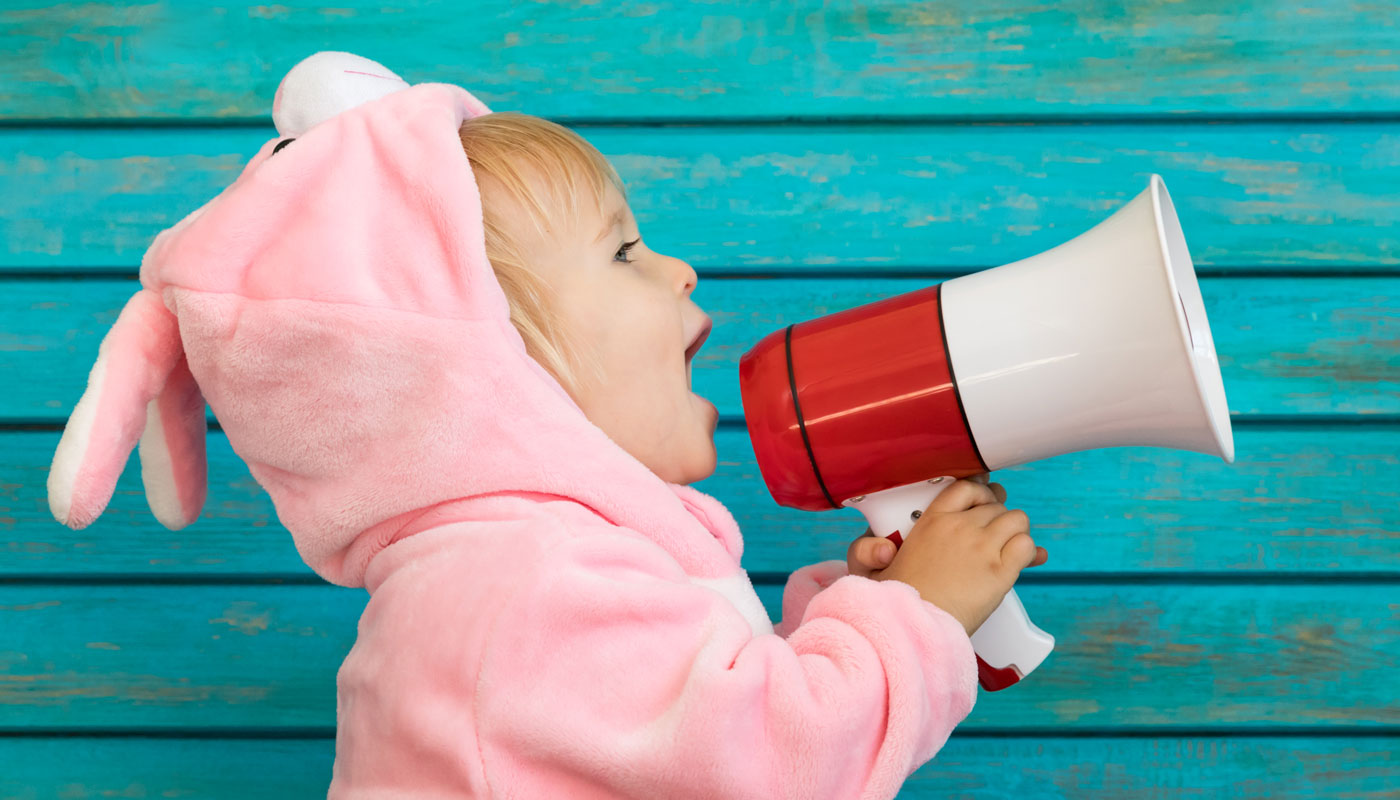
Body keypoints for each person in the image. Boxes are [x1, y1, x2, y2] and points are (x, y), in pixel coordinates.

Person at [46, 52, 1046, 799]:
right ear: (484, 364)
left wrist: (853, 617)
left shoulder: (521, 573)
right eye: (622, 251)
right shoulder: (532, 585)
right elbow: (773, 766)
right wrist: (908, 617)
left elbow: (706, 740)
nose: (680, 270)